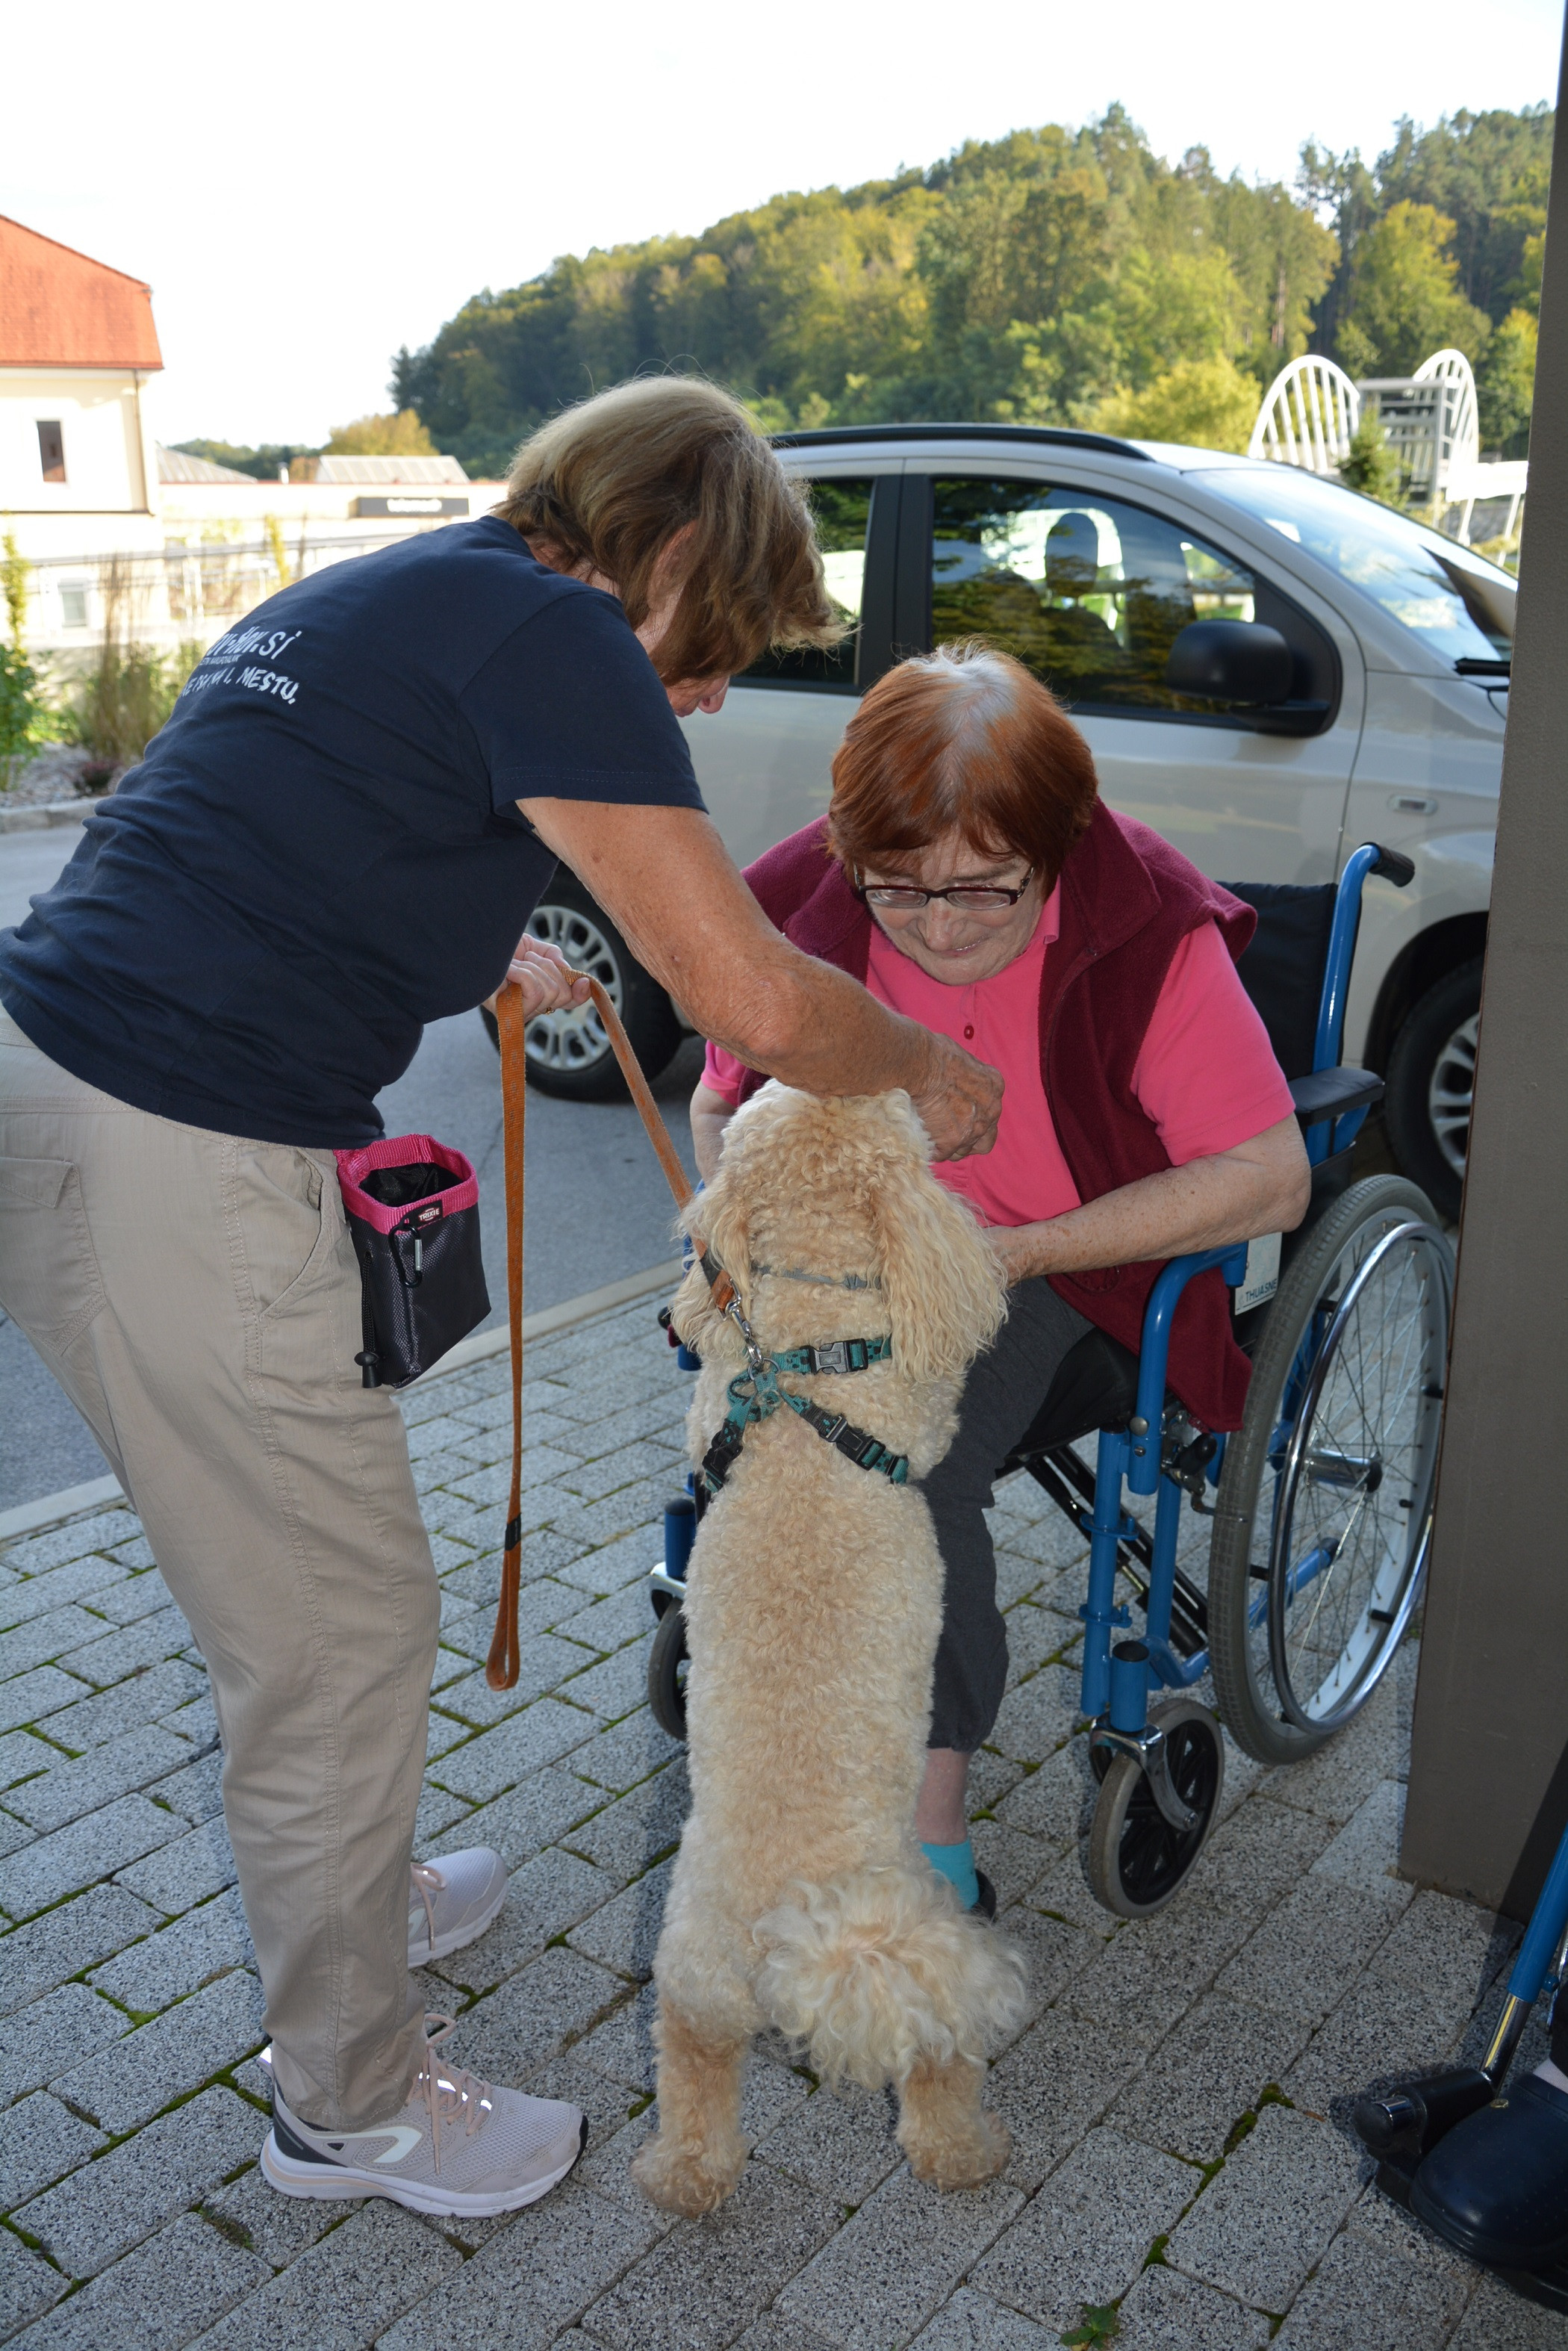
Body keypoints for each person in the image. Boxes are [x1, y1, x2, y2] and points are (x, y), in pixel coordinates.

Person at [0, 380, 1001, 2222]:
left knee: (305, 1596)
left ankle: (359, 1900)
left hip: (56, 1067)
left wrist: (490, 943)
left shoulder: (396, 591)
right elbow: (759, 1002)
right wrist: (927, 1069)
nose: (704, 697)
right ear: (678, 551)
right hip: (176, 1142)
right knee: (343, 1633)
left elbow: (282, 836)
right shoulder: (565, 630)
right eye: (720, 651)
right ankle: (356, 2107)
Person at [694, 642, 1311, 1916]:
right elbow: (719, 1103)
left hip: (1071, 1261)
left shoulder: (1146, 926)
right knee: (764, 1422)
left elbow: (1269, 1174)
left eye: (983, 892)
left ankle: (925, 1808)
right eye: (898, 891)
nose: (934, 927)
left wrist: (1022, 1251)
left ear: (1060, 845)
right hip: (860, 1246)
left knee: (906, 1458)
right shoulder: (807, 896)